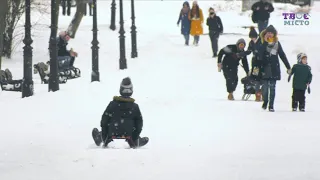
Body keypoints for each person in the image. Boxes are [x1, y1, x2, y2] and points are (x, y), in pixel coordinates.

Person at [92, 77, 149, 148]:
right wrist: (135, 137)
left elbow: (104, 121)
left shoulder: (112, 104)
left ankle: (99, 137)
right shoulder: (135, 107)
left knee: (106, 127)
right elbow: (139, 125)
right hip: (129, 135)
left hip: (112, 133)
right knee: (133, 125)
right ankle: (137, 140)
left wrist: (104, 137)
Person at [257, 25, 291, 112]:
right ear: (265, 33)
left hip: (274, 68)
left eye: (271, 33)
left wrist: (288, 67)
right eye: (268, 32)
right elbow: (259, 55)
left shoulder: (277, 43)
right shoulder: (261, 42)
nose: (269, 34)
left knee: (272, 88)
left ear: (274, 34)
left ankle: (271, 105)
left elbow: (282, 55)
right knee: (264, 89)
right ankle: (265, 101)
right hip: (264, 68)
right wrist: (264, 42)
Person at [246, 27, 262, 101]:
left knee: (262, 78)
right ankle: (257, 94)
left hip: (262, 63)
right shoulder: (251, 42)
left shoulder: (261, 41)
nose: (252, 39)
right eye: (251, 38)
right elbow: (249, 51)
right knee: (256, 78)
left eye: (253, 38)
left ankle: (261, 92)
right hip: (255, 63)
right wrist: (242, 54)